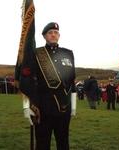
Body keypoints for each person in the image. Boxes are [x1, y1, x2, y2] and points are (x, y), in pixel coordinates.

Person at [16, 22, 76, 150]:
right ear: (44, 36)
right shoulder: (36, 54)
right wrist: (27, 106)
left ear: (59, 35)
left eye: (56, 33)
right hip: (43, 108)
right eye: (50, 33)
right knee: (43, 143)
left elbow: (72, 82)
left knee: (63, 142)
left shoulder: (68, 53)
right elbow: (28, 81)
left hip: (64, 108)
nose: (53, 35)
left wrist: (74, 106)